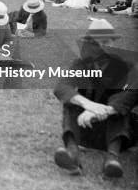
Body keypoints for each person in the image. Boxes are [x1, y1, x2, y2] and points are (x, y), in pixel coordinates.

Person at [53, 19, 138, 178]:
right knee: (71, 103)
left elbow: (133, 92)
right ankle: (72, 154)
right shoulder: (81, 64)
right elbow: (61, 86)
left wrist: (107, 110)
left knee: (121, 110)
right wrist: (89, 105)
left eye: (107, 41)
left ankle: (112, 160)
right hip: (87, 131)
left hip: (120, 136)